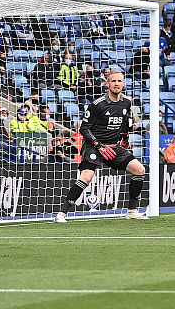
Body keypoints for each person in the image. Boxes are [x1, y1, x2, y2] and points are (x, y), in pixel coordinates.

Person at [57, 69, 147, 222]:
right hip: (94, 146)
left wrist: (125, 137)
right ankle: (61, 214)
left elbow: (125, 121)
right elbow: (84, 128)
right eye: (113, 81)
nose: (116, 84)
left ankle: (132, 211)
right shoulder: (97, 105)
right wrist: (98, 145)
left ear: (123, 84)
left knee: (139, 170)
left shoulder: (126, 102)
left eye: (119, 81)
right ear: (107, 84)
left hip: (112, 147)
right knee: (86, 177)